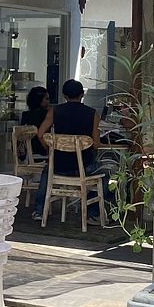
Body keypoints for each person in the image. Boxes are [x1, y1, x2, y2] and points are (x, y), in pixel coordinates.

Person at [33, 78, 106, 220]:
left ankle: (39, 211)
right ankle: (92, 213)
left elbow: (40, 134)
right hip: (85, 166)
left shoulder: (54, 111)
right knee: (106, 172)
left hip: (59, 165)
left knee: (47, 171)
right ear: (82, 95)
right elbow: (96, 144)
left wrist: (50, 151)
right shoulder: (92, 114)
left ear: (64, 96)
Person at [19, 86, 50, 161]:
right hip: (42, 148)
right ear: (39, 100)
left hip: (28, 150)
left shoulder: (25, 115)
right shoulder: (47, 114)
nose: (48, 101)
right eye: (46, 99)